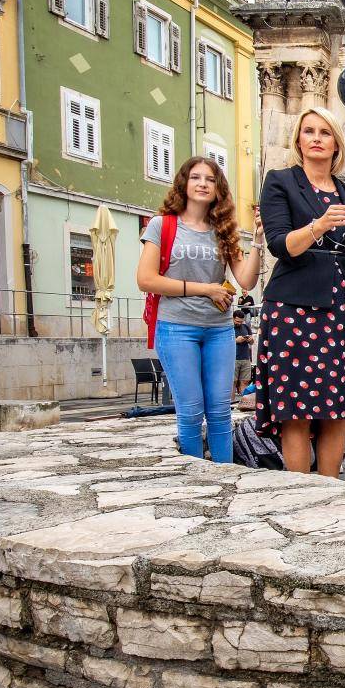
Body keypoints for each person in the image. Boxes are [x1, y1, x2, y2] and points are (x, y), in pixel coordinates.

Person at [257, 107, 345, 477]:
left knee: (338, 406)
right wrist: (319, 225)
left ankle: (331, 487)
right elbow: (280, 245)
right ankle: (299, 491)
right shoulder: (281, 181)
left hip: (340, 308)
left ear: (337, 143)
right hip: (293, 309)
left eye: (325, 132)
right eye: (309, 131)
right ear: (299, 140)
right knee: (296, 408)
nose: (317, 138)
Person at [137, 157, 263, 465]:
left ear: (218, 188)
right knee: (191, 411)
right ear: (184, 183)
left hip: (219, 329)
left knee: (220, 411)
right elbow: (146, 279)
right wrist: (205, 288)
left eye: (210, 179)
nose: (203, 183)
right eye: (196, 177)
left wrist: (258, 243)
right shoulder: (163, 225)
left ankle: (226, 476)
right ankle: (196, 479)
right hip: (177, 327)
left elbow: (245, 280)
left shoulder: (224, 230)